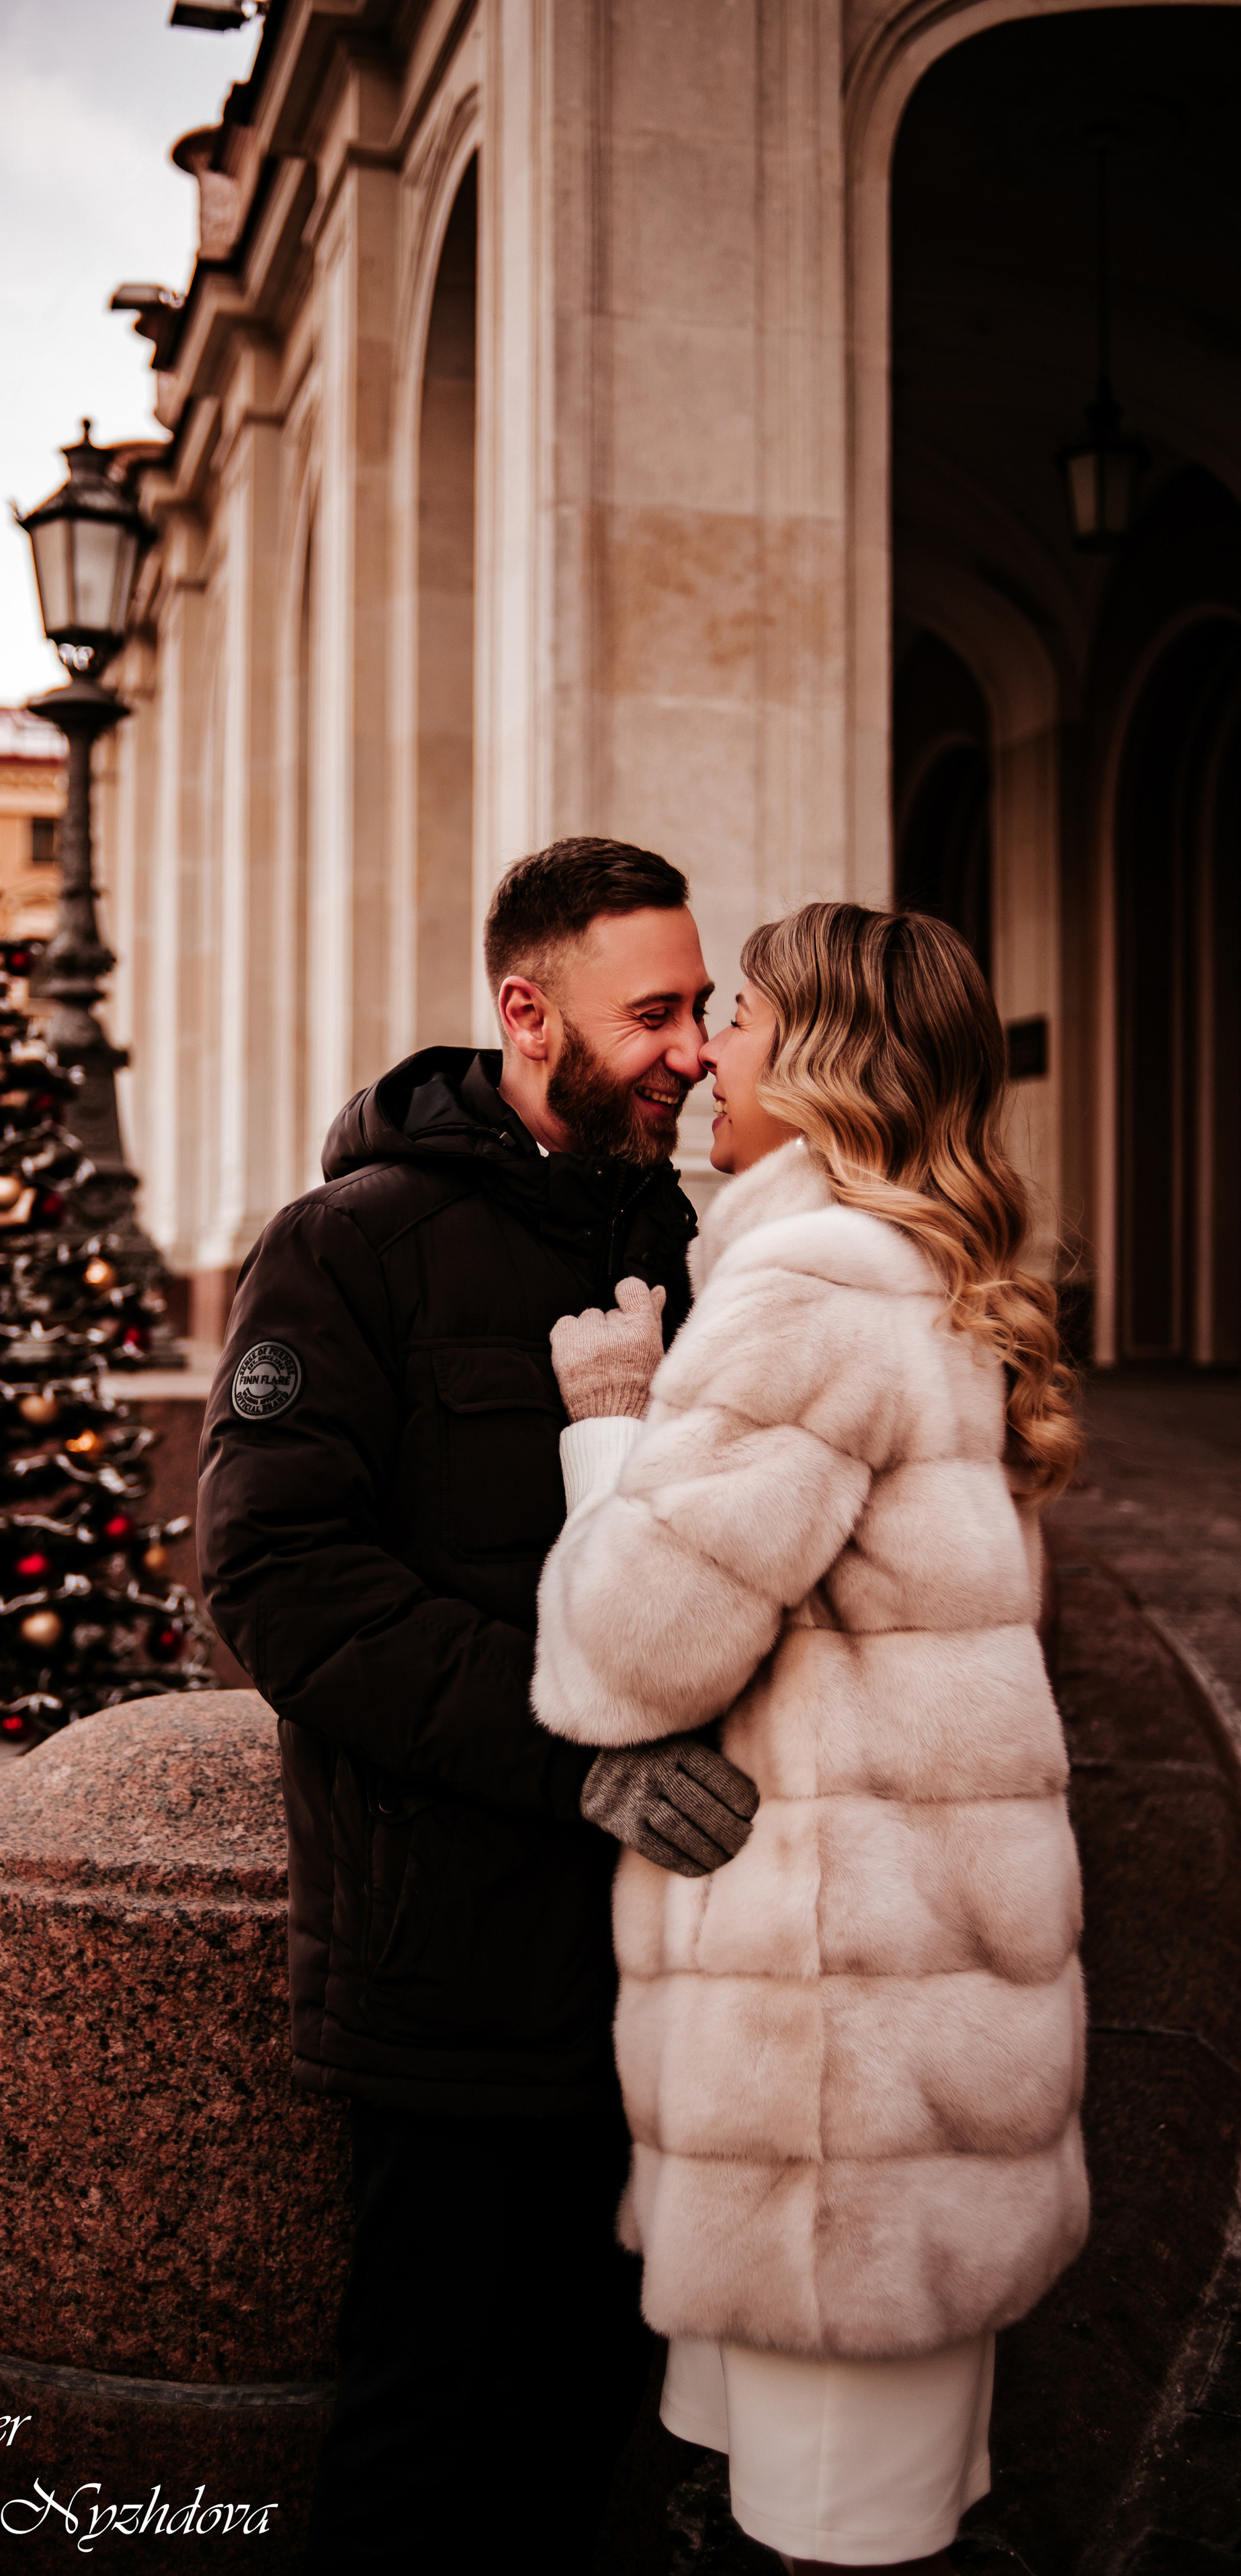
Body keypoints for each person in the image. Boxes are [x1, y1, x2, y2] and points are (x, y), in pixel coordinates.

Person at [198, 839, 762, 2571]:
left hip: (670, 1967)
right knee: (427, 2446)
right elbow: (278, 1578)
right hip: (451, 1974)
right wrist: (574, 1758)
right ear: (526, 1013)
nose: (687, 1048)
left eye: (698, 1009)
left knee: (594, 2432)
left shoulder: (706, 1238)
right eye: (648, 1013)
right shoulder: (348, 1246)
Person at [533, 901, 1088, 2575]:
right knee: (833, 2514)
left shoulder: (807, 1288)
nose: (705, 1054)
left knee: (831, 2541)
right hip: (892, 2048)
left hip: (829, 2083)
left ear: (826, 1064)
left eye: (746, 1020)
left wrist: (611, 1423)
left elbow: (622, 1653)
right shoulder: (921, 1271)